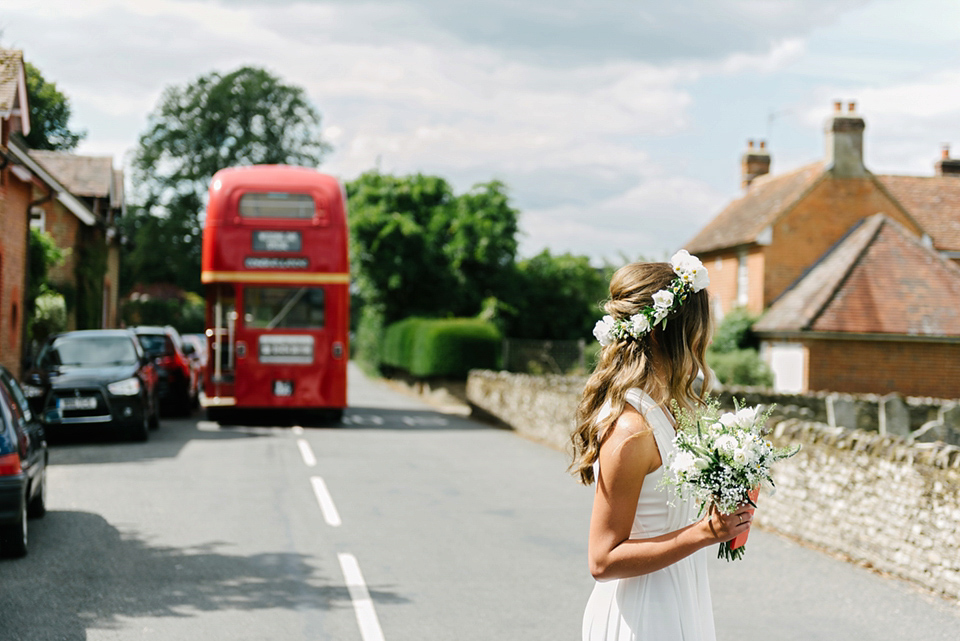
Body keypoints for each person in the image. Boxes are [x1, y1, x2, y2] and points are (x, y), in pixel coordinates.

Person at [571, 252, 752, 641]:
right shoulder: (630, 431)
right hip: (644, 615)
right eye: (697, 330)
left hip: (681, 597)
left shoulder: (670, 411)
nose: (704, 340)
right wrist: (705, 533)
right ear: (661, 333)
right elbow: (602, 560)